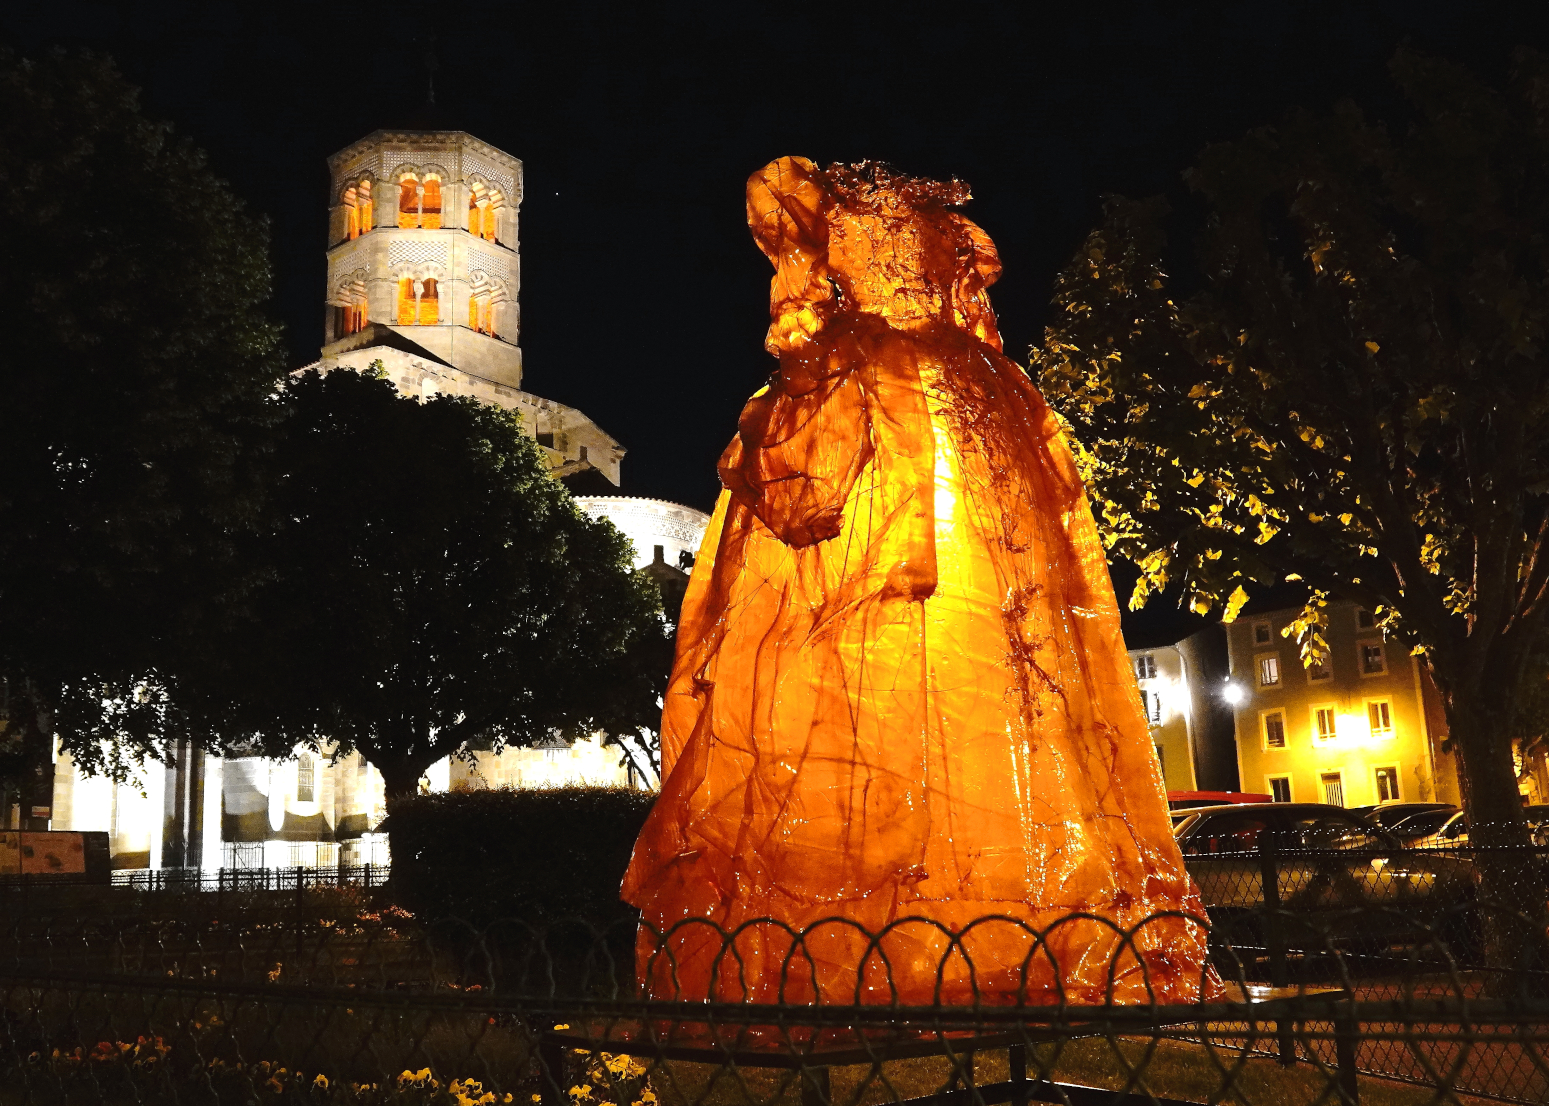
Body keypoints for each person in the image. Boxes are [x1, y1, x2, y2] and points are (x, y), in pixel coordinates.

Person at [622, 157, 1214, 1006]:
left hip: (946, 456)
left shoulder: (934, 372)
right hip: (933, 430)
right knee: (892, 686)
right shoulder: (950, 371)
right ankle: (919, 941)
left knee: (987, 678)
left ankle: (959, 935)